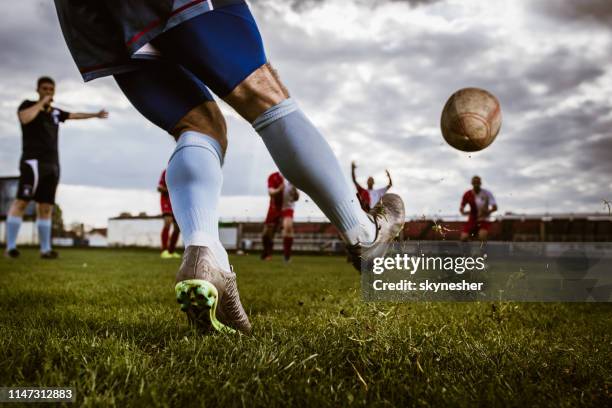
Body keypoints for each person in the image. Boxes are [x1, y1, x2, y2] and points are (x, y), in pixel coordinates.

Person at [53, 1, 405, 334]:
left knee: (198, 126)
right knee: (263, 93)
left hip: (85, 10)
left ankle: (206, 255)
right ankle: (362, 233)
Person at [4, 76, 107, 259]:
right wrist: (41, 103)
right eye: (44, 89)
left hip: (52, 165)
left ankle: (45, 249)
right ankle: (11, 247)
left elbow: (74, 115)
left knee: (46, 207)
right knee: (22, 202)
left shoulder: (56, 113)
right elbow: (24, 118)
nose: (48, 92)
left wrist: (95, 115)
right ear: (38, 90)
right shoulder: (28, 106)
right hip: (32, 163)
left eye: (51, 90)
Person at [261, 171, 299, 262]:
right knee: (266, 234)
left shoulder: (293, 178)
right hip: (274, 207)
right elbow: (270, 192)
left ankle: (287, 257)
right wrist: (279, 189)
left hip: (288, 207)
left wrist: (295, 192)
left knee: (288, 226)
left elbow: (296, 198)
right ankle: (267, 253)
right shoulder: (274, 176)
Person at [460, 175, 497, 242]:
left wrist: (486, 212)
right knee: (463, 238)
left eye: (478, 182)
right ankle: (469, 250)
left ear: (480, 183)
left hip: (484, 219)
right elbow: (462, 208)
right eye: (474, 182)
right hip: (472, 219)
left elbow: (495, 207)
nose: (476, 184)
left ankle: (484, 251)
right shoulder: (467, 194)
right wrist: (464, 212)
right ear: (472, 183)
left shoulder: (487, 193)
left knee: (482, 237)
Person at [158, 169, 181, 259]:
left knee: (177, 228)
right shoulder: (166, 172)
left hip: (177, 202)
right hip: (166, 201)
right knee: (168, 222)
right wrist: (171, 191)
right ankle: (164, 250)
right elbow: (159, 187)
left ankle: (171, 251)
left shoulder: (182, 173)